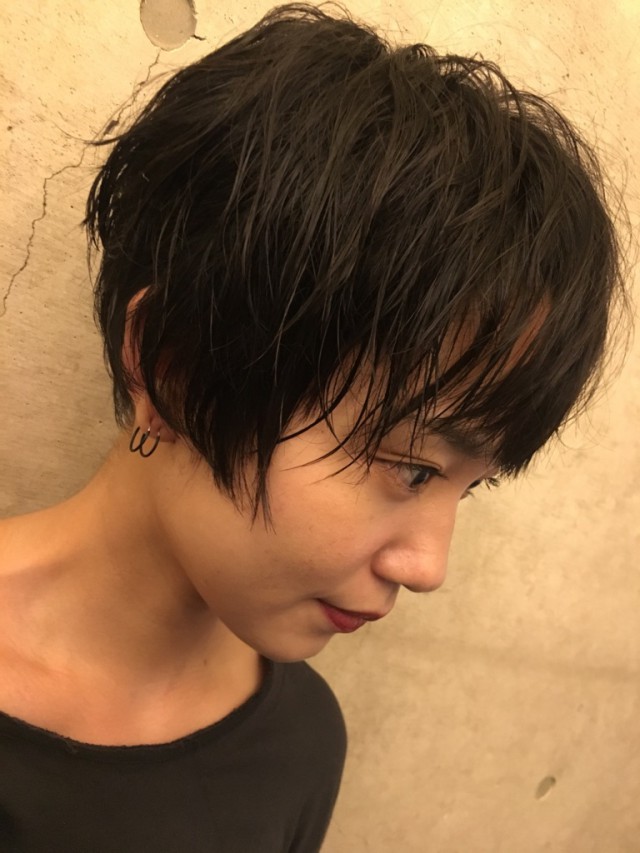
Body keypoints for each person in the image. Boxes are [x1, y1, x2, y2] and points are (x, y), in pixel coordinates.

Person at [0, 2, 628, 851]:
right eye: (413, 466)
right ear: (177, 367)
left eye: (468, 488)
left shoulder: (298, 744)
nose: (429, 566)